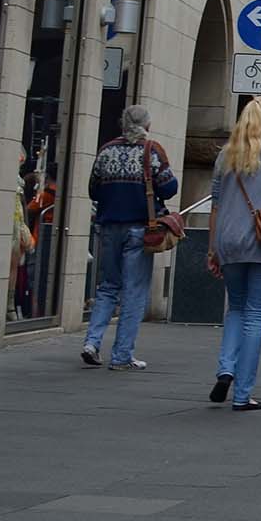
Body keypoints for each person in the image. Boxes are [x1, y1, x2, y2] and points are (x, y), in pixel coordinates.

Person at [204, 97, 261, 411]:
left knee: (235, 309)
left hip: (228, 240)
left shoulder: (226, 155)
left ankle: (225, 368)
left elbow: (215, 205)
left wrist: (213, 247)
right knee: (256, 315)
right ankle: (243, 394)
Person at [81, 105, 179, 372]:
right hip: (139, 229)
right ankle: (122, 355)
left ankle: (92, 342)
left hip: (109, 227)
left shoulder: (106, 150)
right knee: (134, 291)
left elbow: (93, 189)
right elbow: (170, 187)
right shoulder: (152, 150)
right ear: (147, 126)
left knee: (108, 286)